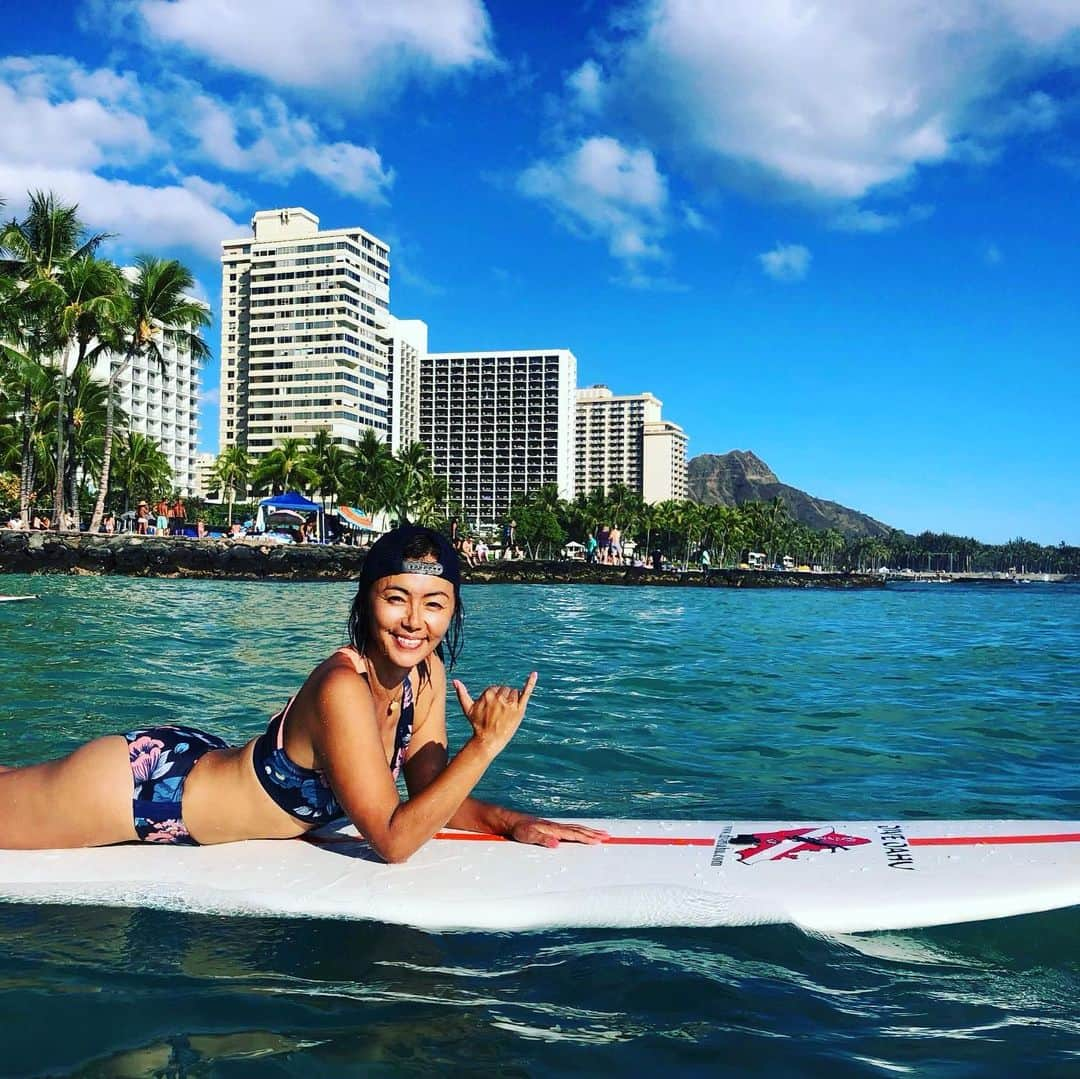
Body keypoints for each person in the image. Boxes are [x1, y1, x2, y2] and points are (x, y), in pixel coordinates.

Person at [0, 525, 607, 856]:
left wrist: (509, 821)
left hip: (205, 762)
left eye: (435, 604)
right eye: (395, 598)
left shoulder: (427, 677)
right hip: (144, 792)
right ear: (367, 603)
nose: (414, 621)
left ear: (453, 612)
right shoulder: (341, 686)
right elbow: (395, 839)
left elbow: (429, 798)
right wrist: (486, 746)